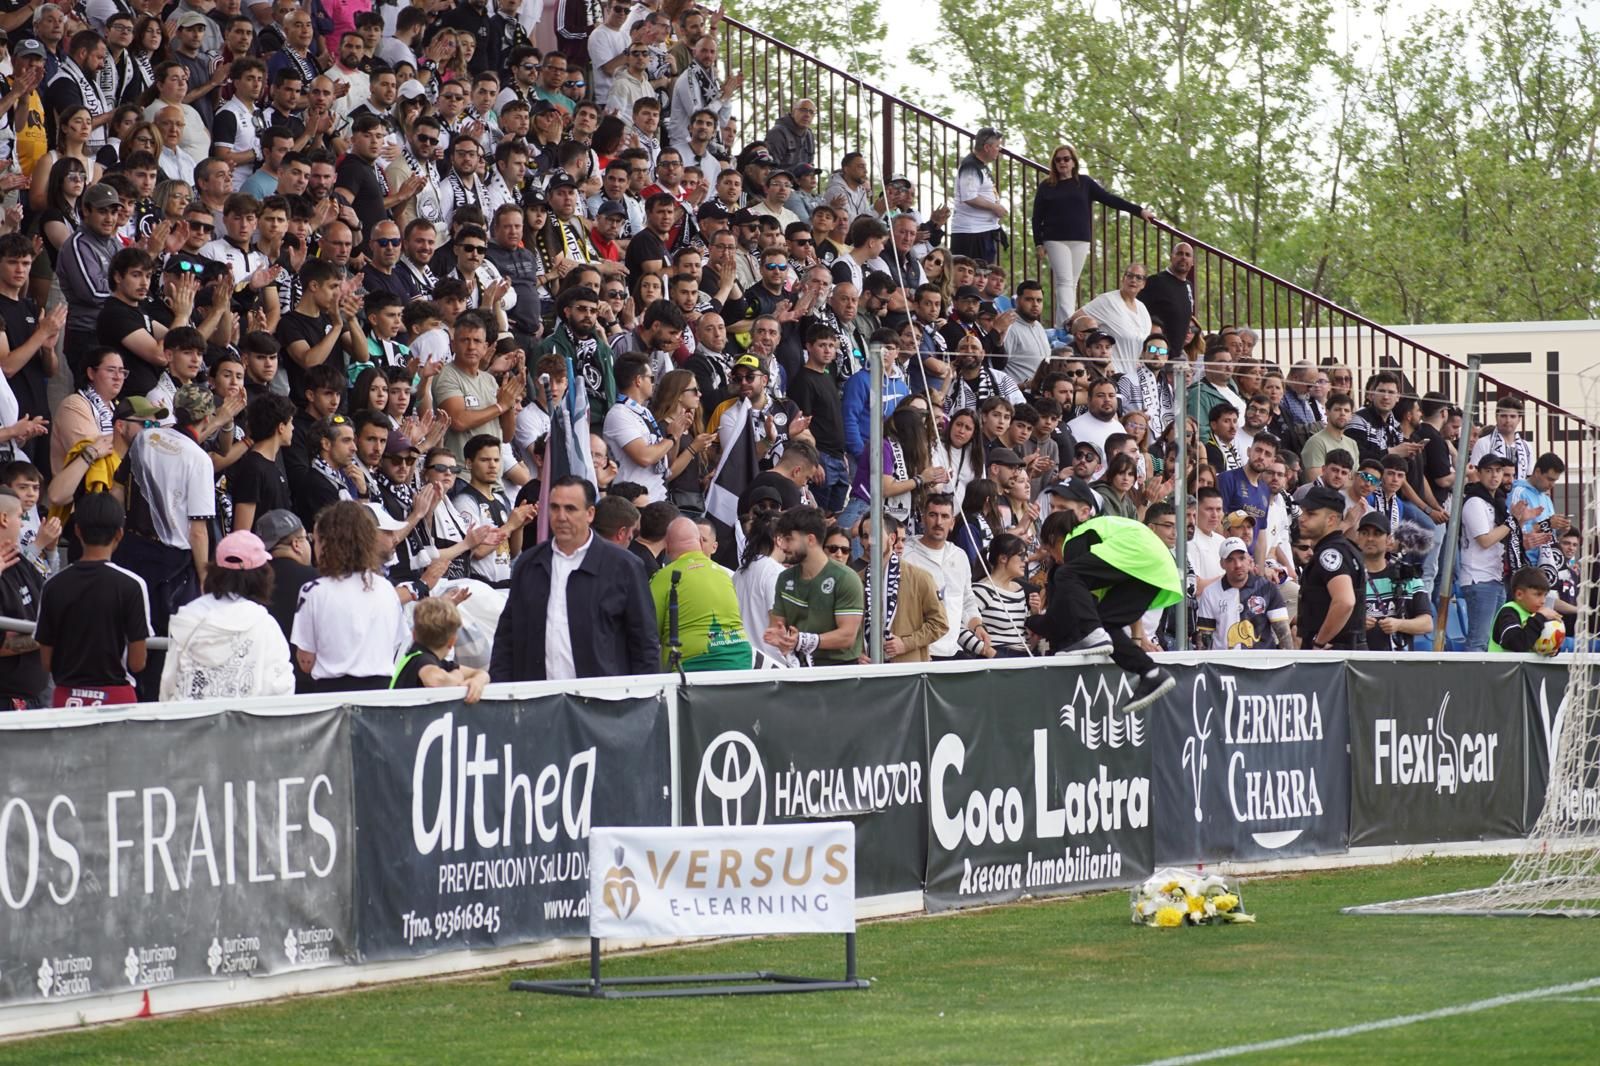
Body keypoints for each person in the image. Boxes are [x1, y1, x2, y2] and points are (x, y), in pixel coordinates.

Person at [490, 475, 659, 682]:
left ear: (590, 514)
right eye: (554, 508)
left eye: (570, 509)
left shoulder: (624, 566)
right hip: (537, 695)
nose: (561, 517)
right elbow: (507, 637)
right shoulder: (528, 564)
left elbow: (644, 641)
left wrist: (643, 695)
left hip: (601, 697)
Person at [1026, 507, 1180, 711]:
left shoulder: (1075, 539)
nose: (1056, 559)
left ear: (1054, 539)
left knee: (1065, 574)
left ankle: (1095, 633)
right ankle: (1151, 673)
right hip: (1156, 569)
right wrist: (1038, 622)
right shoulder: (1096, 552)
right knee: (1106, 624)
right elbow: (1067, 615)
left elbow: (1063, 613)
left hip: (1142, 557)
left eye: (1051, 552)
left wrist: (1032, 621)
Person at [34, 493, 151, 707]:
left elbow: (46, 662)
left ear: (77, 531)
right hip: (117, 699)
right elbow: (137, 662)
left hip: (66, 699)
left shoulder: (53, 585)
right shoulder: (133, 585)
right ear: (119, 534)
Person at [159, 530, 295, 701]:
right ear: (262, 575)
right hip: (245, 716)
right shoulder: (263, 623)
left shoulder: (190, 615)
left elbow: (169, 681)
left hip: (191, 716)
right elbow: (280, 685)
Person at [291, 501, 410, 693]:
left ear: (328, 544)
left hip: (332, 695)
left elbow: (306, 661)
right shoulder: (386, 588)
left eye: (317, 540)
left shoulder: (313, 591)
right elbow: (396, 643)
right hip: (381, 695)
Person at [1030, 143, 1154, 325]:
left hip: (1080, 239)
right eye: (1058, 160)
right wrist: (1038, 243)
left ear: (1073, 162)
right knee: (1064, 282)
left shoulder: (1084, 183)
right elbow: (1036, 216)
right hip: (1055, 239)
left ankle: (1062, 325)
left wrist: (1139, 210)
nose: (1062, 163)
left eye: (1066, 159)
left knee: (1071, 283)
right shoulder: (1046, 186)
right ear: (1054, 163)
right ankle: (1068, 325)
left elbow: (1110, 199)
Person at [763, 505, 863, 667]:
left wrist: (802, 641)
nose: (783, 546)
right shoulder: (784, 578)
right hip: (798, 667)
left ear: (810, 540)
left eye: (789, 539)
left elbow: (847, 636)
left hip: (839, 670)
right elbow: (777, 627)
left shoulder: (846, 578)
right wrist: (781, 639)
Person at [651, 516, 753, 671]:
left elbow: (648, 631)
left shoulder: (664, 577)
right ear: (699, 542)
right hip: (740, 659)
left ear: (667, 547)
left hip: (693, 663)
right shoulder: (723, 574)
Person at [1296, 484, 1365, 650]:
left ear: (1331, 520)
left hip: (1333, 654)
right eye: (1303, 512)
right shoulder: (1344, 548)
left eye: (1311, 513)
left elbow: (1345, 601)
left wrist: (1318, 643)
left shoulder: (1330, 553)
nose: (1302, 518)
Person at [1355, 512, 1432, 653]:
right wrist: (1355, 624)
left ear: (1389, 540)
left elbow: (1427, 623)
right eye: (1365, 533)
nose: (1370, 538)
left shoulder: (1407, 574)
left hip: (1399, 661)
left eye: (1377, 534)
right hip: (1358, 660)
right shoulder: (1347, 576)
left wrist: (1399, 624)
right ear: (1357, 538)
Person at [1195, 536, 1291, 650]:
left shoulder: (1267, 588)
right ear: (1222, 564)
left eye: (1242, 558)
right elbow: (1204, 638)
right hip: (1224, 660)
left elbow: (1284, 633)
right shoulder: (1210, 593)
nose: (1238, 565)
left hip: (1262, 659)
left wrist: (1289, 659)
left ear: (1249, 560)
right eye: (1230, 560)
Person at [391, 598, 489, 701]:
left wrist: (477, 681)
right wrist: (457, 677)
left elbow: (482, 673)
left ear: (414, 635)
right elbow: (435, 680)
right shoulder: (421, 659)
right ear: (452, 642)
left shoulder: (433, 661)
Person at [0, 489, 45, 707]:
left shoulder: (22, 562)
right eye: (20, 517)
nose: (22, 524)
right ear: (3, 519)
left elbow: (48, 612)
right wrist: (49, 634)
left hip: (33, 698)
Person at [1489, 567, 1562, 655]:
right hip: (1501, 664)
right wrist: (1539, 617)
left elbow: (1535, 643)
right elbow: (1517, 644)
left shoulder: (1536, 615)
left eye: (1545, 595)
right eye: (1538, 594)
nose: (1543, 601)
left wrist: (1551, 648)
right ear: (1519, 594)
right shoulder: (1509, 612)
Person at [1468, 395, 1534, 483]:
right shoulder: (1483, 443)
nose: (1508, 420)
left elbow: (1529, 477)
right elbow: (1474, 475)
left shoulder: (1527, 447)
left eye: (1512, 416)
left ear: (1519, 419)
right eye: (1503, 416)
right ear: (1496, 417)